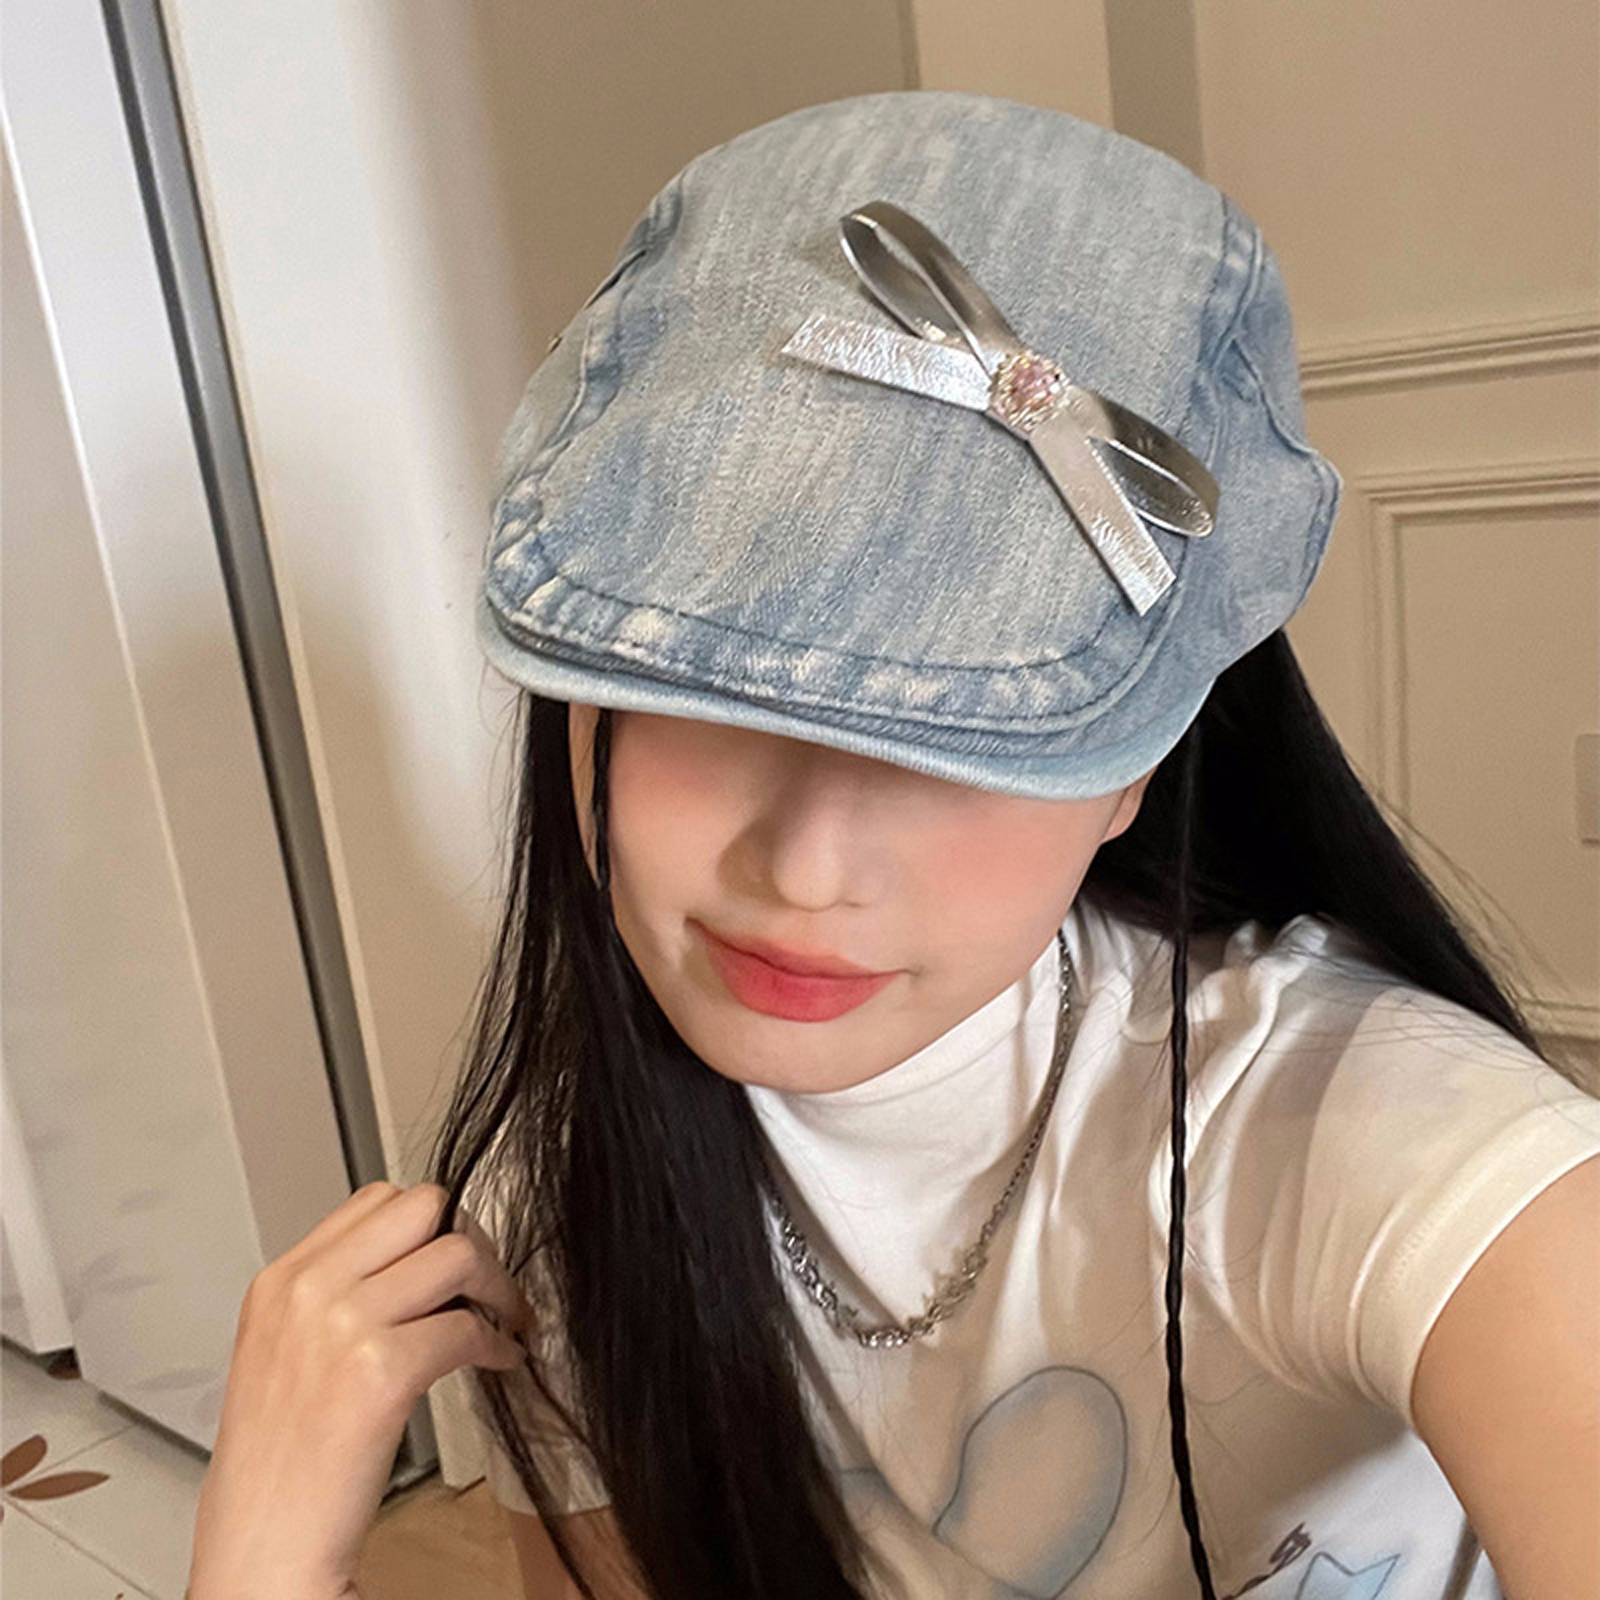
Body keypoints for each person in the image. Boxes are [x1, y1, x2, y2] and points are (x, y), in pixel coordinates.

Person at [187, 92, 1600, 1600]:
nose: (805, 870)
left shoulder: (1354, 1132)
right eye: (715, 696)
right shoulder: (578, 1188)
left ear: (1138, 761)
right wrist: (266, 1548)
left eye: (959, 741)